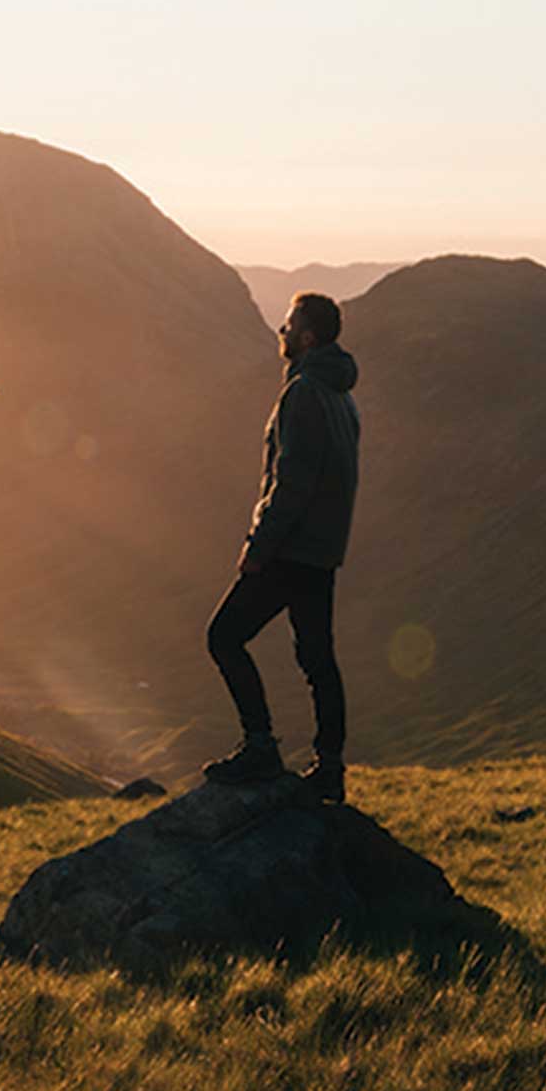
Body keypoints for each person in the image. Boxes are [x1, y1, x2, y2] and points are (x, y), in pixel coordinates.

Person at [202, 290, 360, 800]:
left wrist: (258, 546)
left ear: (308, 336)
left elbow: (290, 483)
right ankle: (330, 767)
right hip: (322, 553)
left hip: (290, 550)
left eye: (289, 324)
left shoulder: (303, 393)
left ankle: (260, 747)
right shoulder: (343, 397)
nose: (282, 331)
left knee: (224, 636)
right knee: (318, 659)